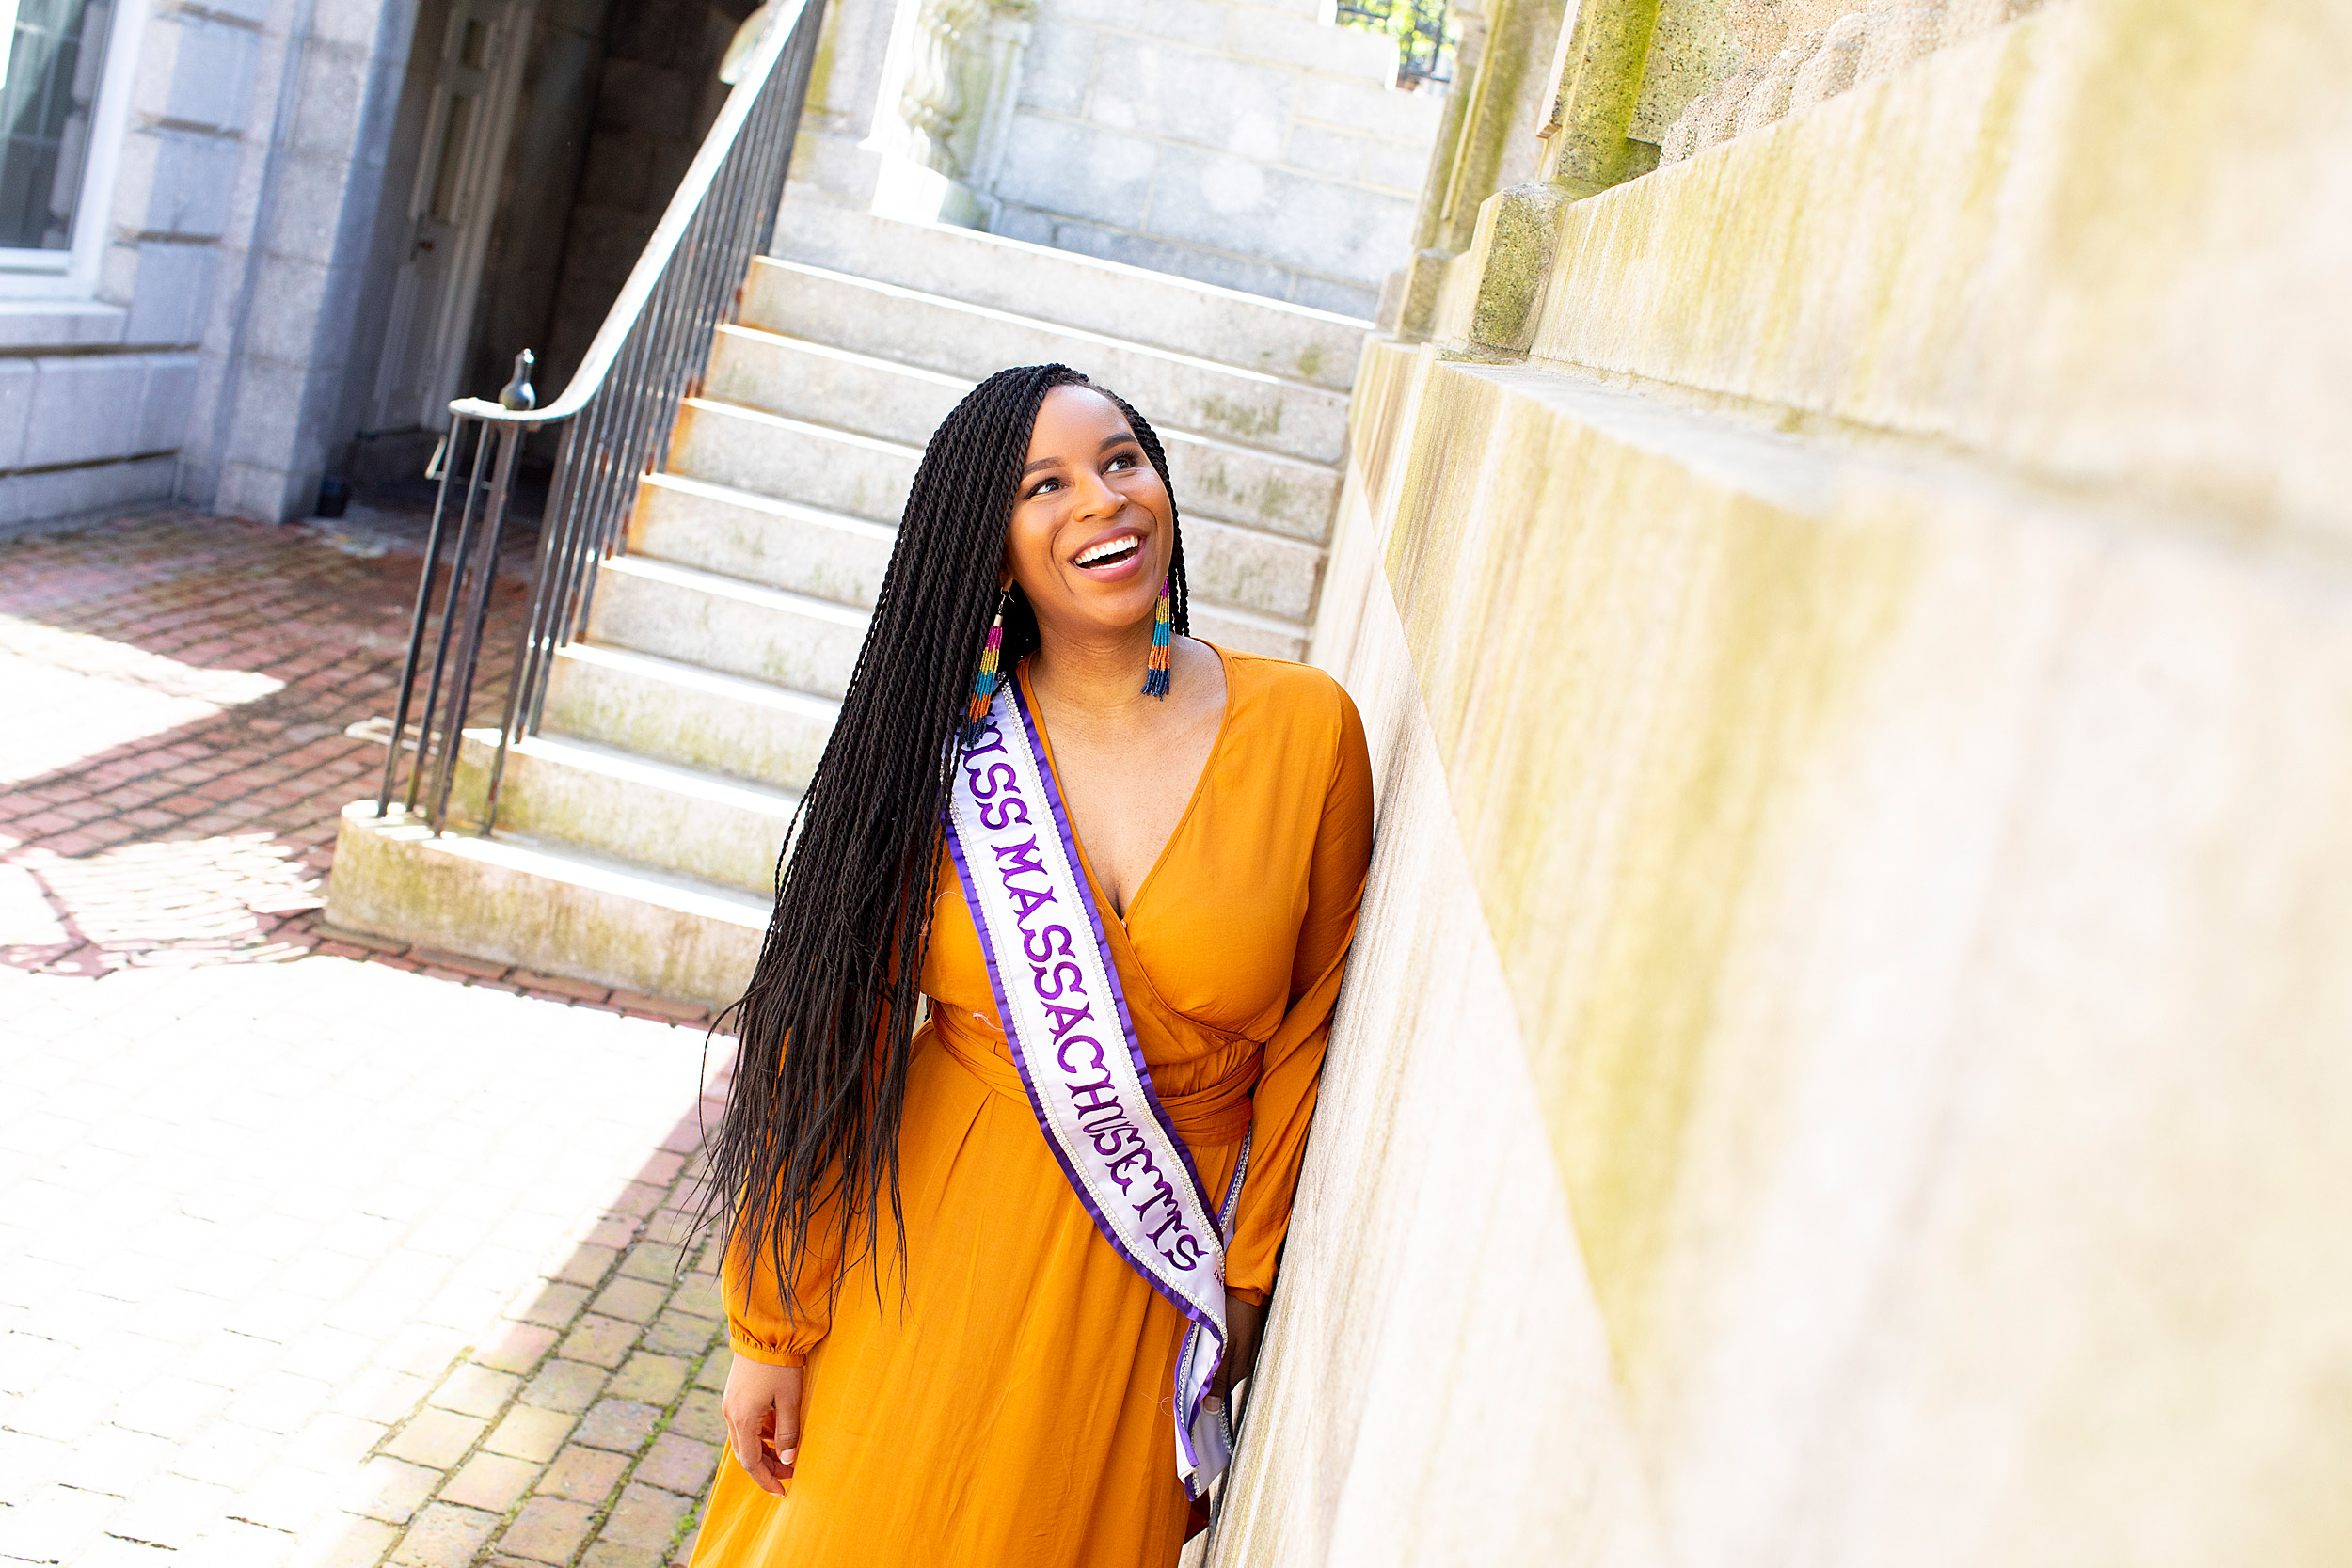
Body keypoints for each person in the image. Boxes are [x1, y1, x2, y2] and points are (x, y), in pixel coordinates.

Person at [690, 363, 1375, 1566]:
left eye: (1121, 461)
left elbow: (1310, 1039)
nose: (1102, 501)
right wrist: (772, 1324)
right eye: (1043, 485)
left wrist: (1246, 1301)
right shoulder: (945, 756)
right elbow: (829, 1036)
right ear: (993, 549)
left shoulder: (1307, 728)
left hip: (1147, 1279)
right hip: (925, 1244)